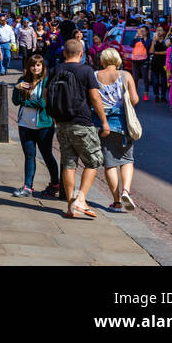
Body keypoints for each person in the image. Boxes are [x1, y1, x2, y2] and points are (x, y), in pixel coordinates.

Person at [53, 38, 108, 219]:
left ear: (64, 53)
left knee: (69, 163)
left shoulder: (57, 69)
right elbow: (94, 97)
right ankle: (81, 199)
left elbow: (47, 94)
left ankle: (71, 206)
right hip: (82, 121)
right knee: (94, 161)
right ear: (81, 54)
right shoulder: (86, 70)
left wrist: (54, 115)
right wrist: (104, 122)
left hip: (61, 122)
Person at [94, 47, 139, 212]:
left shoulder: (95, 75)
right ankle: (126, 191)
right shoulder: (125, 75)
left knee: (110, 162)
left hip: (103, 123)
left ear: (103, 60)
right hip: (122, 124)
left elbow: (92, 98)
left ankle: (116, 200)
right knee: (127, 159)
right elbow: (134, 99)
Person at [12, 53, 60, 199]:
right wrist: (16, 88)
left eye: (38, 65)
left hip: (44, 124)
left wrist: (24, 102)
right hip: (25, 123)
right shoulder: (23, 80)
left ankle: (55, 183)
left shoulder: (46, 82)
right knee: (29, 155)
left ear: (43, 67)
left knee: (46, 154)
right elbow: (15, 101)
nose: (35, 68)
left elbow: (42, 103)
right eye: (33, 65)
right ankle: (28, 187)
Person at [150, 26, 169, 103]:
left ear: (163, 32)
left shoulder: (166, 40)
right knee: (155, 80)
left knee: (164, 80)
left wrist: (157, 53)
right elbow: (151, 51)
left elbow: (167, 52)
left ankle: (163, 96)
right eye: (157, 30)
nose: (159, 32)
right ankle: (157, 95)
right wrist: (153, 41)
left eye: (160, 30)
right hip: (155, 62)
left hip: (164, 62)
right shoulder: (154, 40)